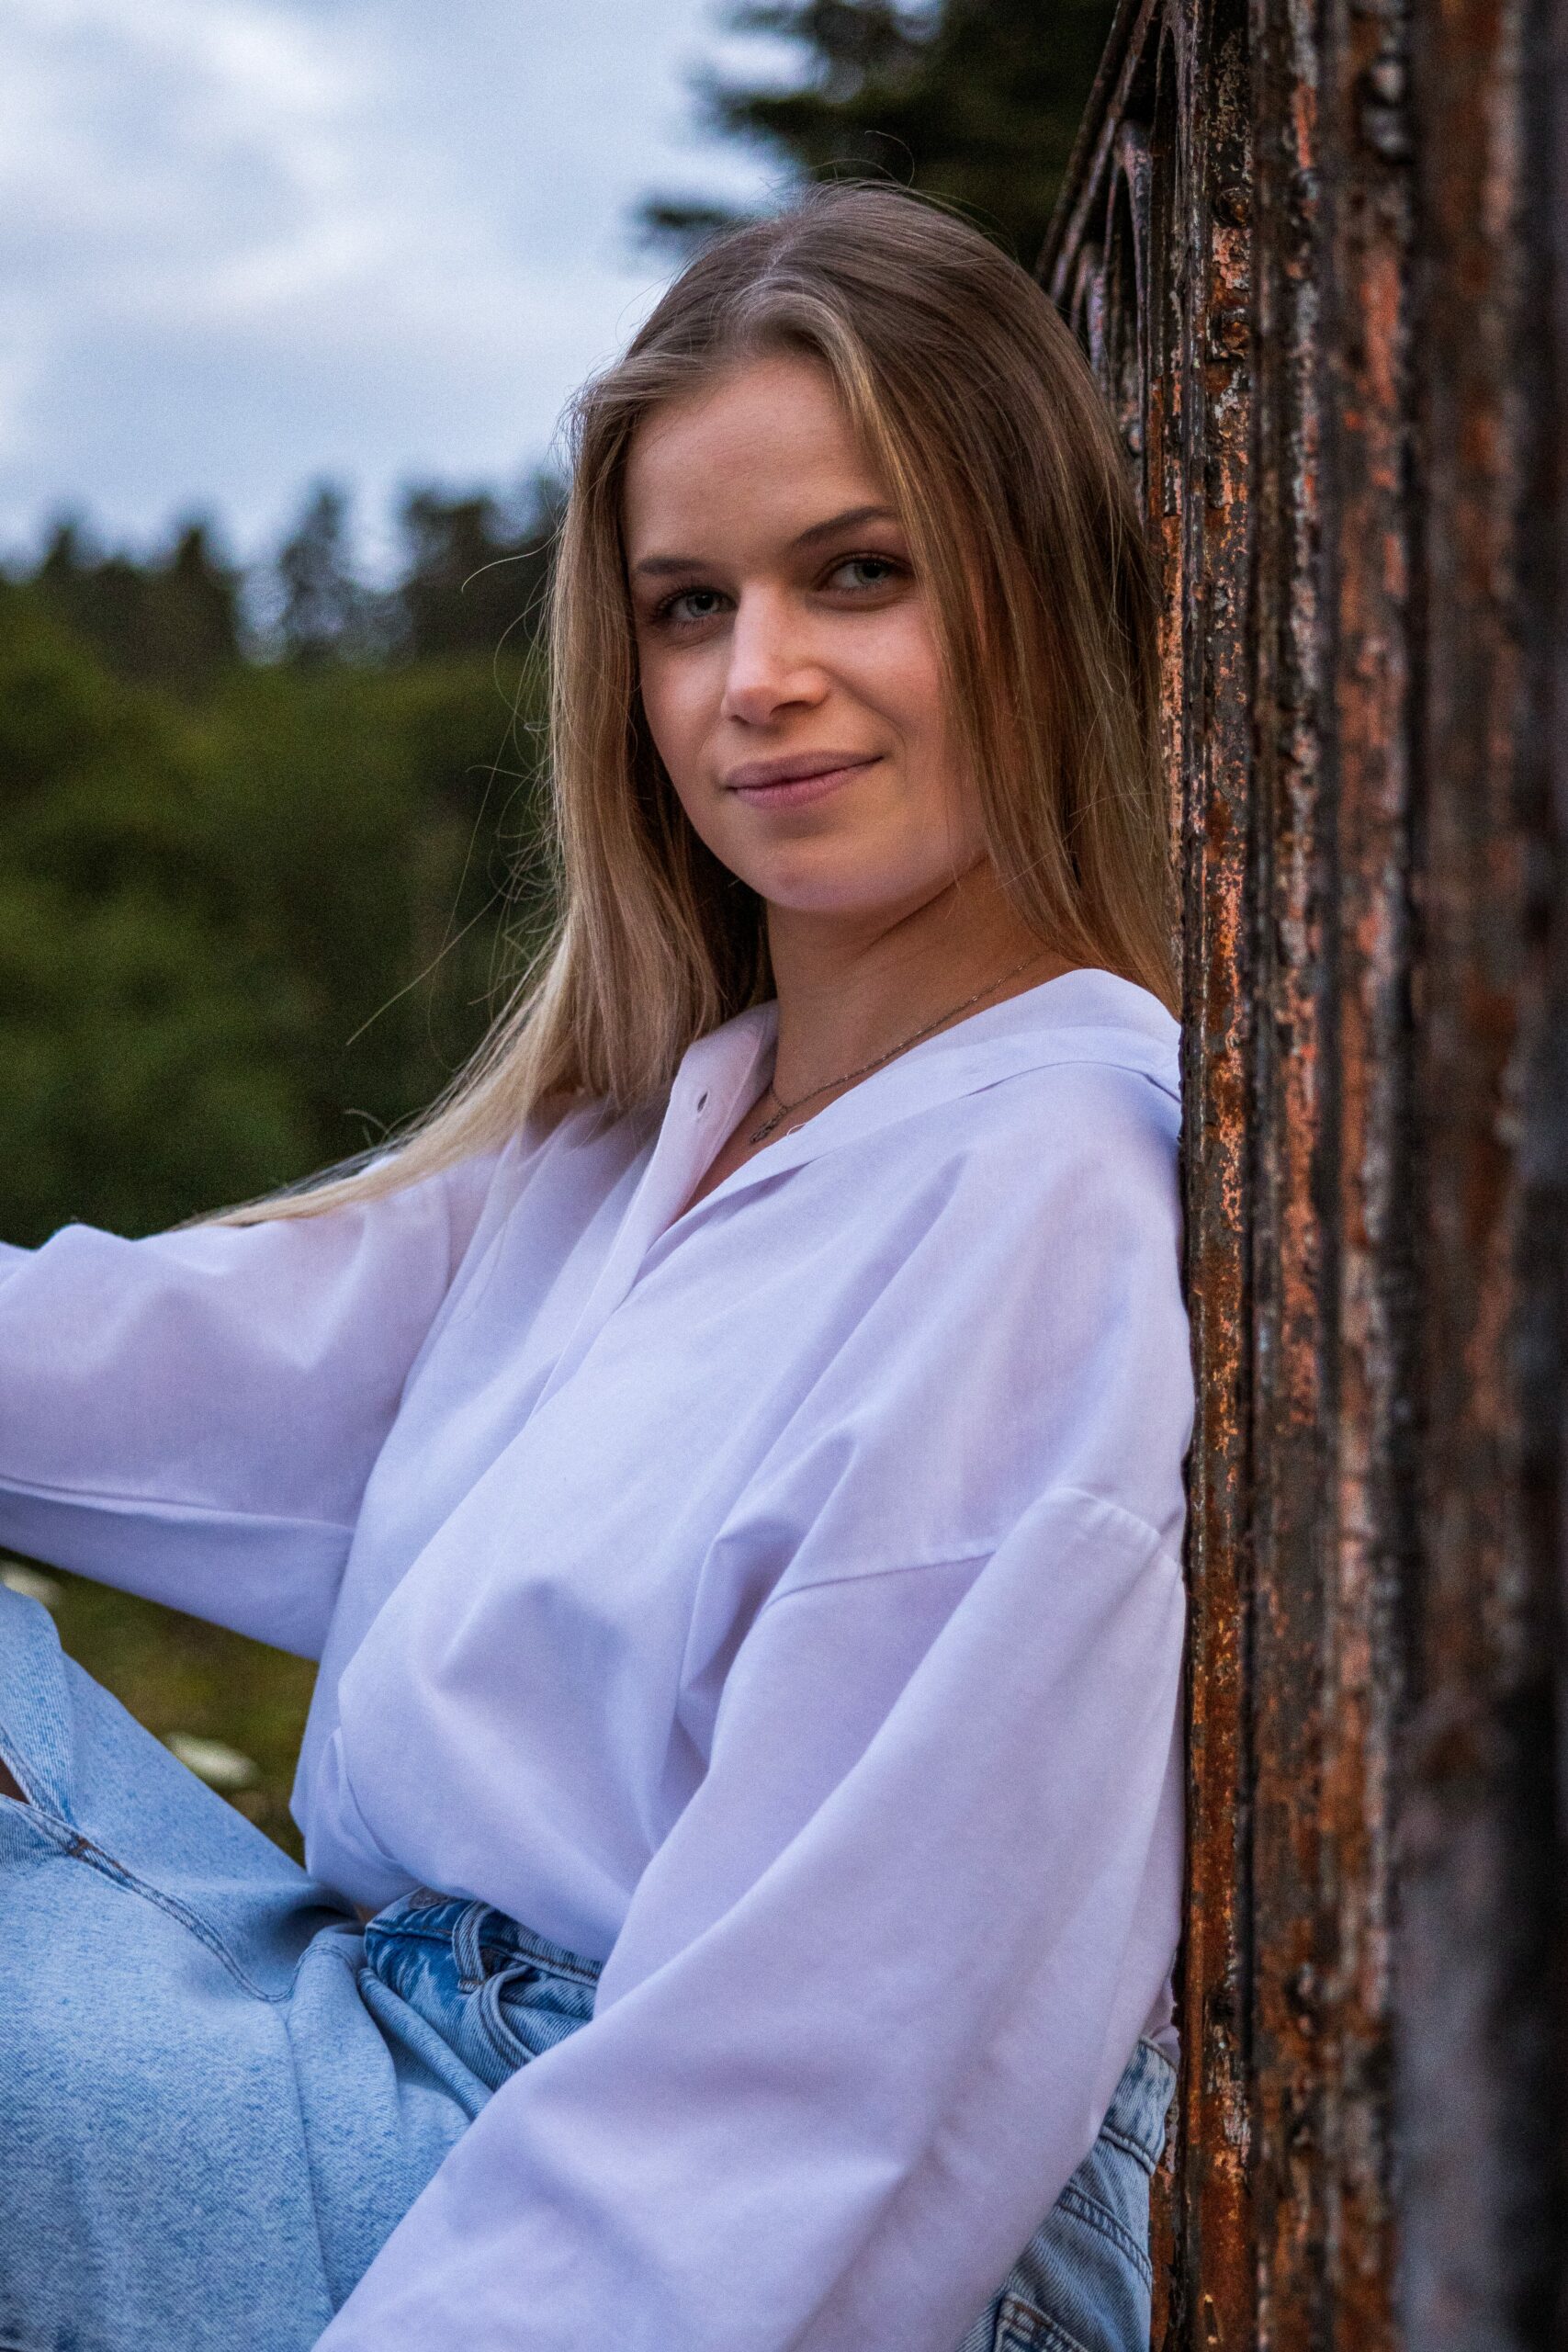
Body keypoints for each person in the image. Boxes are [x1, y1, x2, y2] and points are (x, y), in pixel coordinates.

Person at [0, 186, 1192, 2352]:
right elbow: (139, 1368)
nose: (759, 680)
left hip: (601, 2211)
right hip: (391, 2044)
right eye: (683, 605)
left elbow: (820, 2080)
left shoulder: (1052, 1192)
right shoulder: (651, 1143)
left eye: (859, 572)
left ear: (1032, 581)